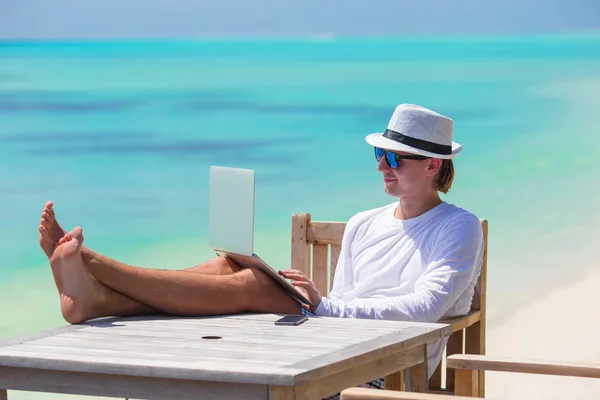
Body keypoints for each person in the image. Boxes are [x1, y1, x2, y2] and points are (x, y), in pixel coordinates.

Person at [38, 103, 484, 395]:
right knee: (227, 263)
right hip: (337, 341)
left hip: (386, 368)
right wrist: (323, 307)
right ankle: (97, 297)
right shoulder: (365, 223)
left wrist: (326, 307)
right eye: (379, 157)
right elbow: (348, 298)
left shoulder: (458, 227)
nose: (382, 167)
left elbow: (426, 307)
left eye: (393, 159)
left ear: (432, 166)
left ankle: (95, 266)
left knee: (254, 283)